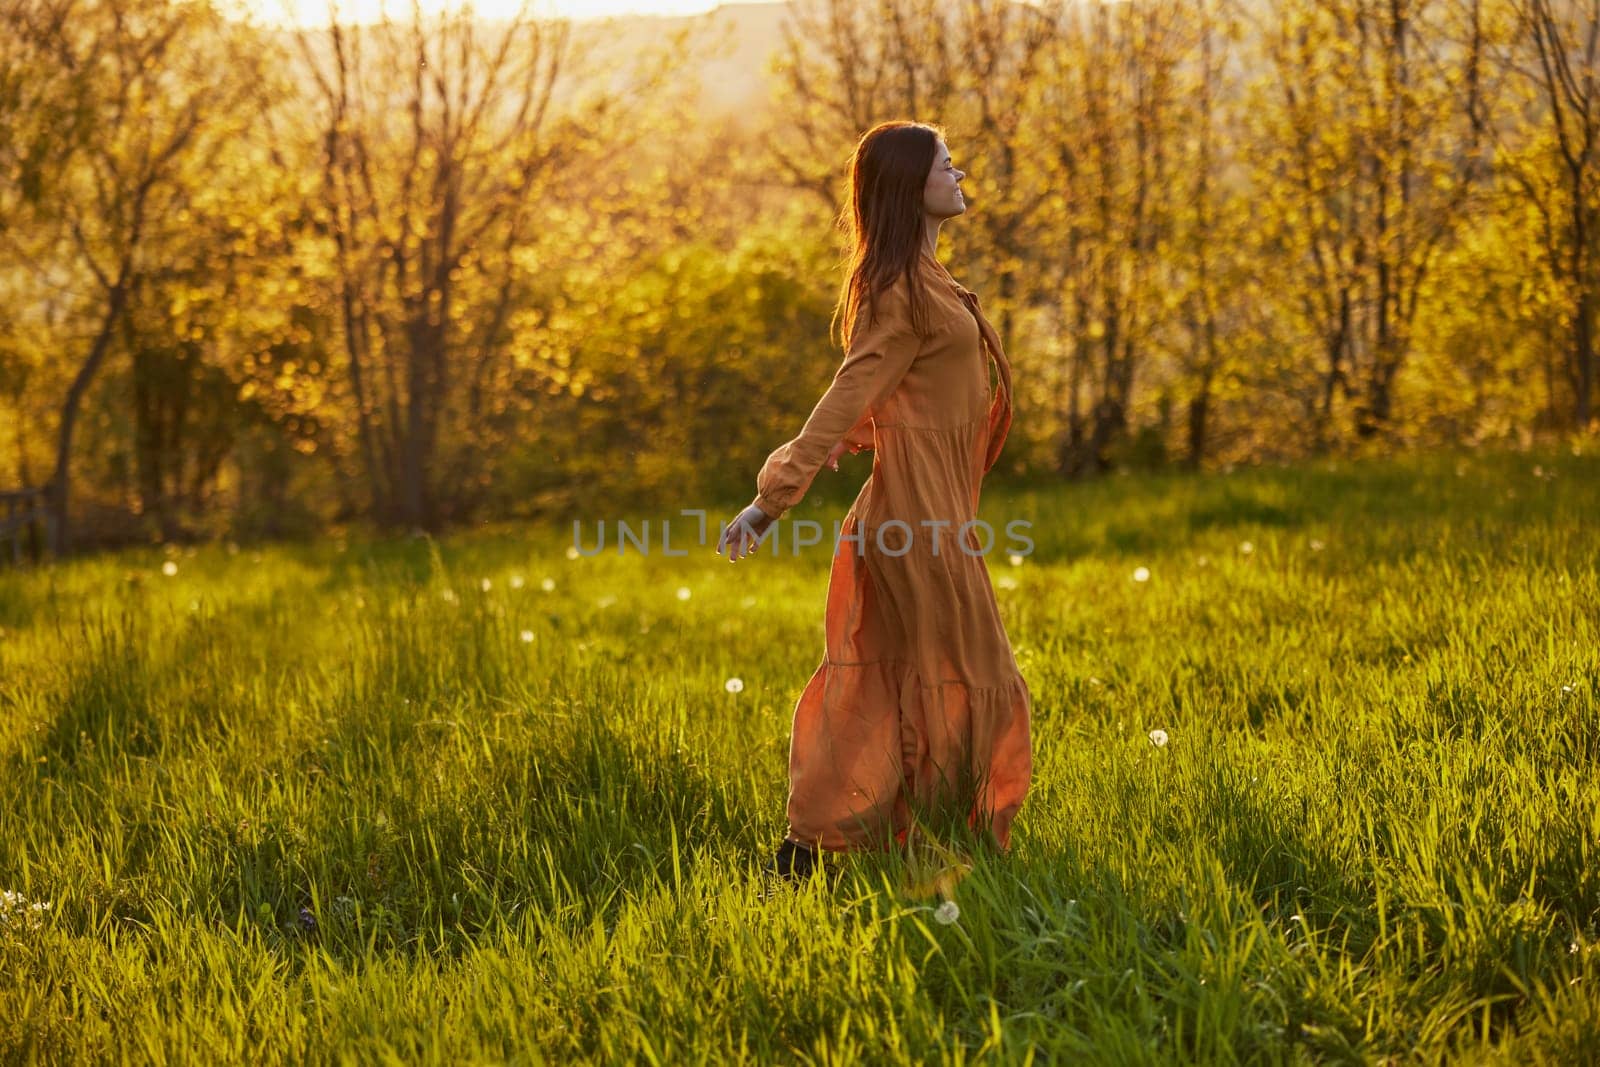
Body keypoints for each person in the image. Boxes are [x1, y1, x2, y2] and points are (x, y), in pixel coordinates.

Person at [714, 121, 1032, 881]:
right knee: (966, 675)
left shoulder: (925, 280)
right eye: (944, 165)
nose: (958, 175)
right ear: (906, 185)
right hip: (916, 525)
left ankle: (831, 849)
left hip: (934, 517)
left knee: (895, 679)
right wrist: (772, 498)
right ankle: (941, 844)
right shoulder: (899, 293)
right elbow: (849, 394)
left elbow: (902, 395)